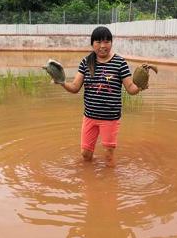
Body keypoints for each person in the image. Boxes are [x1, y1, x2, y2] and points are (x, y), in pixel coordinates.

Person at [59, 26, 144, 167]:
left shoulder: (120, 63)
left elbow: (130, 88)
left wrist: (140, 86)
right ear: (92, 43)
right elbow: (74, 87)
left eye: (106, 42)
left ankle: (110, 184)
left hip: (110, 118)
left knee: (109, 157)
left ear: (111, 42)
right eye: (98, 42)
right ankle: (91, 179)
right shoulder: (86, 62)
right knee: (85, 155)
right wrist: (61, 82)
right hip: (90, 117)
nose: (102, 46)